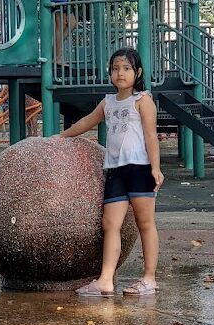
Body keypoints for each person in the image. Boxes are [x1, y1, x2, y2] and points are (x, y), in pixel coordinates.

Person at [58, 47, 164, 297]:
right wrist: (62, 136)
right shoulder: (108, 102)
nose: (120, 73)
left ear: (138, 72)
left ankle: (149, 278)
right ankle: (105, 280)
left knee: (145, 223)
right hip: (115, 169)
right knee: (110, 224)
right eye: (115, 68)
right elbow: (87, 121)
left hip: (140, 168)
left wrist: (156, 168)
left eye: (126, 68)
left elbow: (151, 136)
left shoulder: (143, 101)